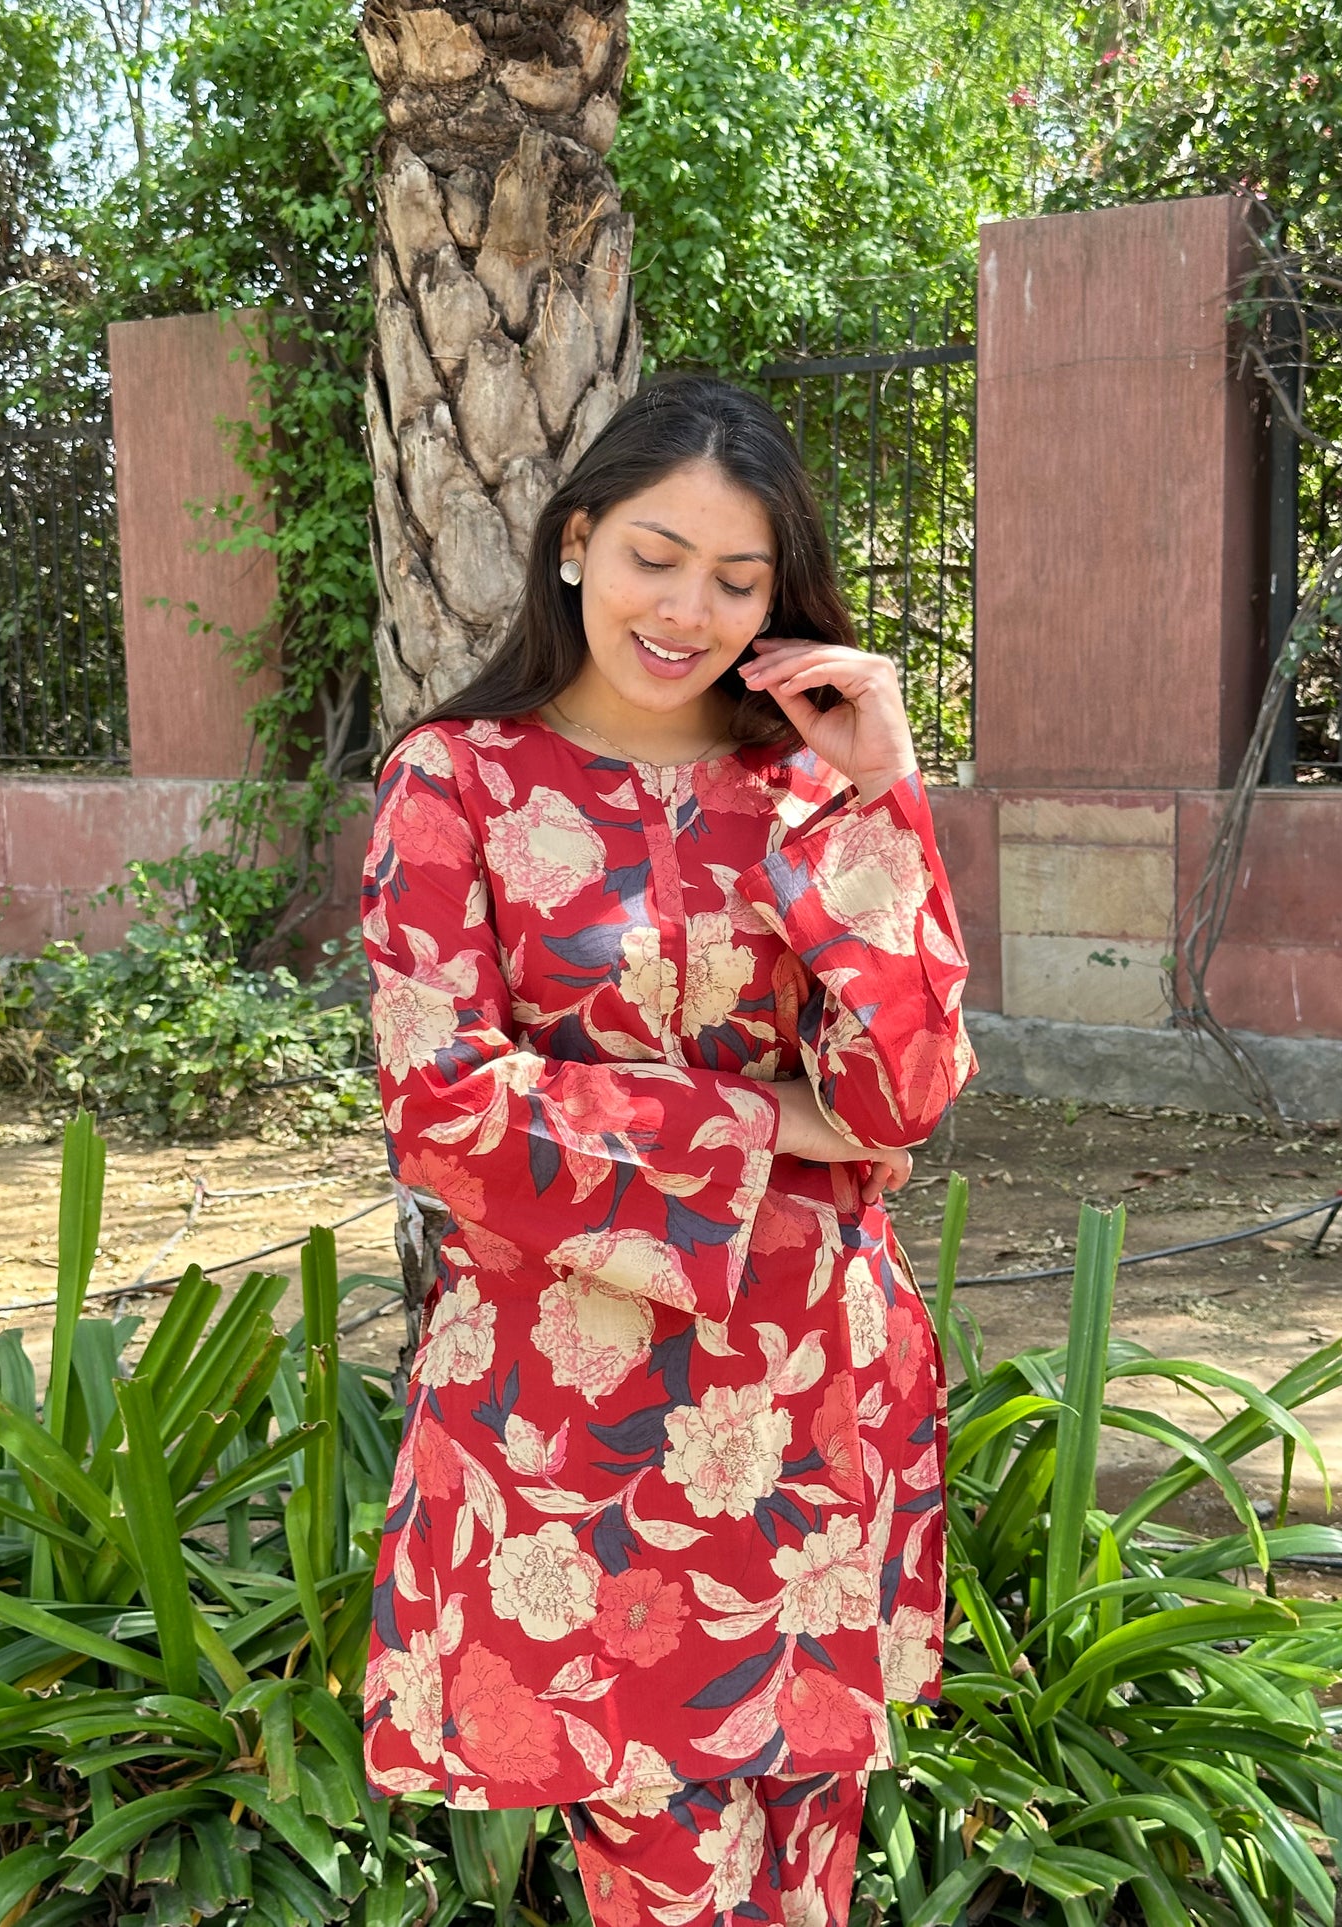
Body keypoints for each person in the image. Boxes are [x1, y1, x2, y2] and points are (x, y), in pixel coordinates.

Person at [360, 372, 976, 1927]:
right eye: (654, 553)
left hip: (814, 1395)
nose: (686, 606)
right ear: (575, 543)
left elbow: (901, 1090)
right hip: (580, 1427)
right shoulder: (458, 784)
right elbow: (444, 1110)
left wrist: (878, 788)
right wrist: (767, 1120)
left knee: (806, 1865)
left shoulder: (806, 785)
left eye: (736, 576)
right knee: (666, 1875)